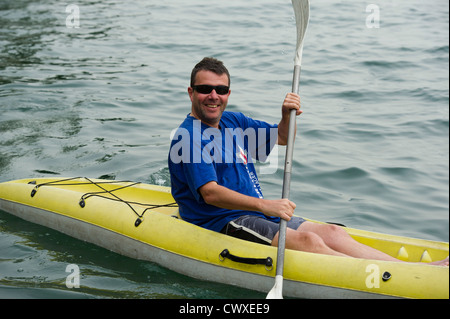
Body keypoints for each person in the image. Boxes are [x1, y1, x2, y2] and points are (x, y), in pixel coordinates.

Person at [168, 57, 449, 266]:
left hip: (260, 213)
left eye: (222, 89)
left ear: (229, 93)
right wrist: (266, 204)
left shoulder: (233, 121)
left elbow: (281, 137)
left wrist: (287, 115)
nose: (214, 96)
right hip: (222, 220)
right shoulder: (188, 137)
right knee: (309, 242)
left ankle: (406, 270)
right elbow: (210, 193)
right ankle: (386, 279)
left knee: (332, 231)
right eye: (205, 88)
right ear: (191, 92)